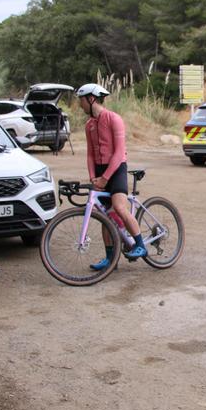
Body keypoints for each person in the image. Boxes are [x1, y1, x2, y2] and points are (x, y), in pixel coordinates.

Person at [77, 83, 147, 270]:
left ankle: (140, 245)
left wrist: (105, 178)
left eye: (81, 100)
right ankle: (111, 259)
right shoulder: (89, 125)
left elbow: (119, 153)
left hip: (116, 169)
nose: (80, 105)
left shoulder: (114, 119)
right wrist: (93, 177)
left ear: (91, 99)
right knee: (104, 215)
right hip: (100, 171)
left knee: (118, 207)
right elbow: (90, 154)